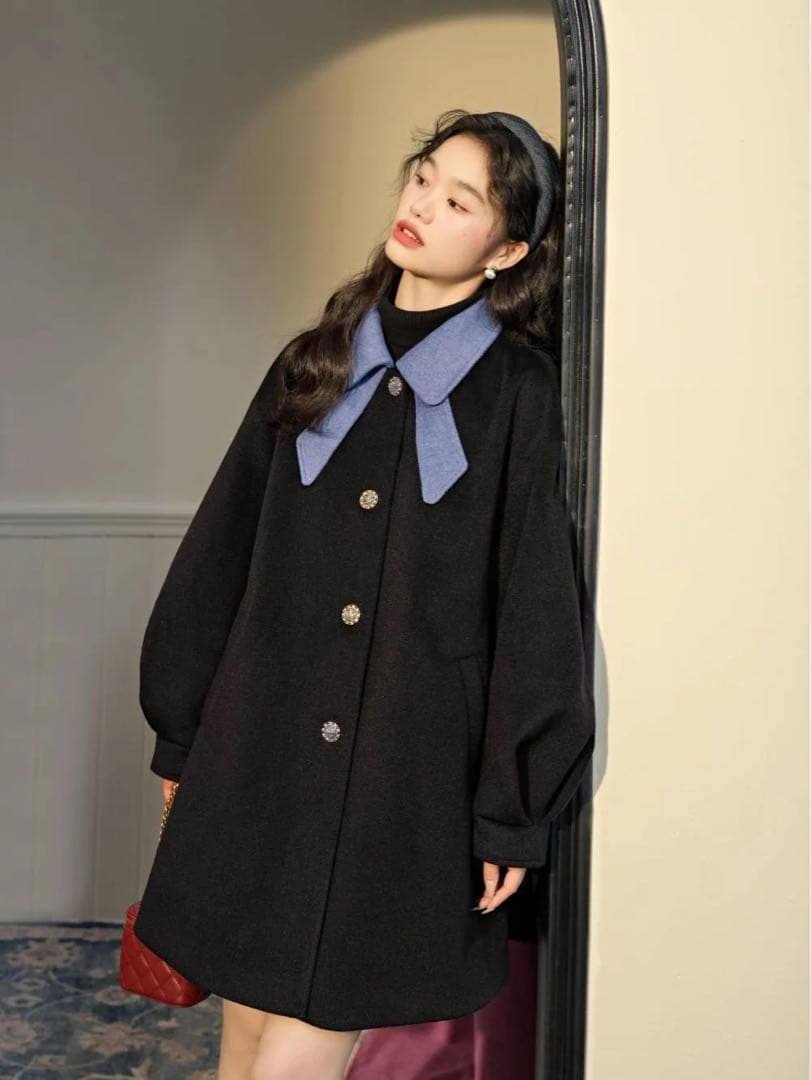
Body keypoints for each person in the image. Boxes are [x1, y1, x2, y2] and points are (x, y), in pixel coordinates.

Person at [132, 107, 596, 1080]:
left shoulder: (516, 394)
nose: (421, 205)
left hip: (403, 783)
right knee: (245, 1042)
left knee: (299, 1048)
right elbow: (221, 549)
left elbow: (532, 606)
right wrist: (182, 728)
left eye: (460, 201)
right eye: (423, 177)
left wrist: (510, 810)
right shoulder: (317, 357)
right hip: (259, 756)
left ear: (508, 250)